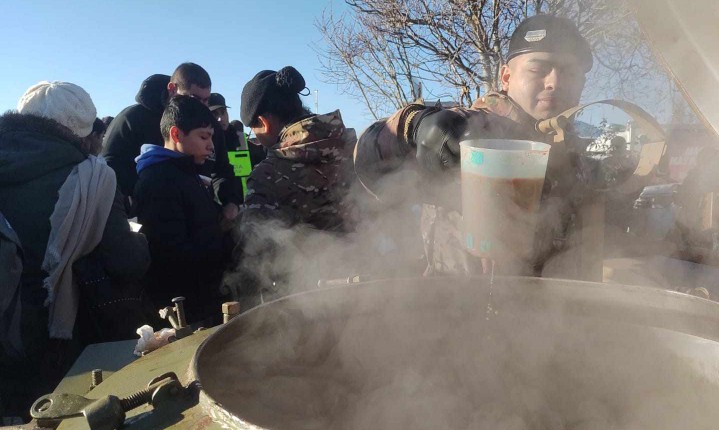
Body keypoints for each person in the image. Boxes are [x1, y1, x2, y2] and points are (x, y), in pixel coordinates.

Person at [353, 15, 631, 277]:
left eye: (569, 72)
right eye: (538, 68)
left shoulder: (577, 159)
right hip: (453, 314)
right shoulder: (469, 130)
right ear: (507, 77)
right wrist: (414, 127)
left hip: (557, 319)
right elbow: (368, 159)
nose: (554, 83)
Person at [0, 81, 150, 417]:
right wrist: (140, 239)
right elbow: (125, 261)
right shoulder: (91, 176)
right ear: (82, 129)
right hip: (52, 340)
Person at [133, 95, 231, 325]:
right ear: (176, 134)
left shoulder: (186, 173)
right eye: (203, 137)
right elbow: (171, 254)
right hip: (187, 310)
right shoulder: (158, 181)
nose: (211, 146)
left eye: (212, 137)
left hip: (205, 297)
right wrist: (224, 245)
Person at [102, 64, 242, 216]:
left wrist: (231, 202)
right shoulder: (133, 119)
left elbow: (222, 170)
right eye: (194, 98)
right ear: (172, 89)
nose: (200, 106)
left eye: (206, 100)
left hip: (200, 218)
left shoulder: (209, 126)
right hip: (146, 217)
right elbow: (110, 167)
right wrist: (158, 188)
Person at [240, 66, 357, 231]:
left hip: (310, 257)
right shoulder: (355, 147)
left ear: (264, 124)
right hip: (373, 253)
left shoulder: (265, 177)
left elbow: (255, 247)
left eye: (254, 129)